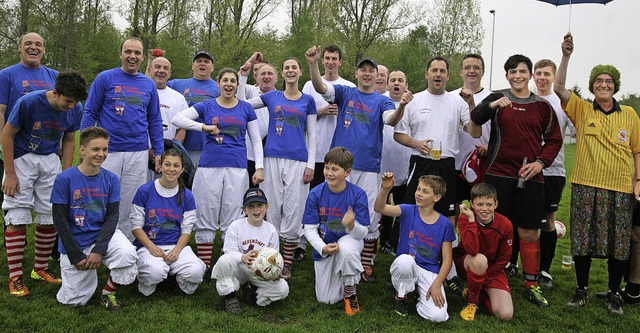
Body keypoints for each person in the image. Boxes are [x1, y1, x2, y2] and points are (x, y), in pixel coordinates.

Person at [305, 45, 409, 283]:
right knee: (338, 210)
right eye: (363, 70)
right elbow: (322, 87)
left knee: (371, 214)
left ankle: (366, 261)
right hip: (341, 166)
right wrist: (313, 64)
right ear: (356, 74)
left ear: (376, 76)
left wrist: (401, 105)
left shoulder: (382, 101)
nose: (367, 74)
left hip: (369, 165)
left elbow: (391, 120)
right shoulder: (345, 92)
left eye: (371, 71)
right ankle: (335, 250)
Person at [554, 33, 640, 315]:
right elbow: (559, 87)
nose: (603, 85)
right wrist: (566, 55)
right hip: (585, 185)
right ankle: (581, 290)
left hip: (620, 188)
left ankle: (614, 293)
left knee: (619, 243)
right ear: (592, 86)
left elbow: (638, 150)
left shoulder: (629, 114)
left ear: (615, 86)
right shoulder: (581, 108)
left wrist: (638, 180)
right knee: (581, 239)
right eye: (598, 81)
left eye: (609, 82)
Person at [470, 54, 563, 308]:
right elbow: (476, 119)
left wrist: (540, 163)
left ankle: (531, 284)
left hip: (530, 177)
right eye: (513, 72)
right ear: (507, 75)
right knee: (494, 228)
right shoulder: (498, 97)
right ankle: (489, 276)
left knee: (529, 231)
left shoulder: (542, 106)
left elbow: (555, 139)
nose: (518, 76)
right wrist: (492, 106)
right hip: (497, 175)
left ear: (530, 75)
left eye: (523, 71)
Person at [394, 56, 482, 294]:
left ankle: (449, 271)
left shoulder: (458, 102)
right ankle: (405, 266)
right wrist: (416, 142)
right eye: (434, 70)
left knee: (448, 219)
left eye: (443, 71)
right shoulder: (415, 100)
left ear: (448, 76)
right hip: (420, 163)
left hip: (446, 165)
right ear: (426, 74)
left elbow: (475, 132)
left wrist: (472, 105)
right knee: (411, 213)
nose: (438, 74)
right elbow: (398, 135)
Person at [2, 71, 86, 297]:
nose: (71, 106)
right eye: (67, 101)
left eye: (75, 102)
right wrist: (10, 173)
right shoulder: (29, 102)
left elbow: (69, 138)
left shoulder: (75, 109)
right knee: (18, 214)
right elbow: (7, 135)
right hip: (22, 158)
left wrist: (66, 174)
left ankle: (39, 268)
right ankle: (16, 276)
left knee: (51, 214)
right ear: (55, 93)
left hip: (50, 160)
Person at [171, 68, 264, 269]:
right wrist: (202, 127)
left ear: (237, 85)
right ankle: (204, 265)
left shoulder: (246, 108)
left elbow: (256, 141)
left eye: (233, 81)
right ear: (218, 83)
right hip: (209, 166)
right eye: (225, 80)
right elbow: (177, 119)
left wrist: (259, 167)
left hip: (237, 167)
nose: (229, 84)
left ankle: (226, 262)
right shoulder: (207, 106)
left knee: (233, 214)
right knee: (206, 211)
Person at [81, 37, 164, 242]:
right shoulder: (105, 78)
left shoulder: (148, 85)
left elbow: (154, 119)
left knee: (130, 201)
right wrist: (85, 146)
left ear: (143, 57)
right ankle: (97, 241)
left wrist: (159, 150)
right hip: (108, 151)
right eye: (128, 52)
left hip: (137, 151)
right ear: (120, 54)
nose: (132, 56)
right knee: (101, 198)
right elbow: (90, 112)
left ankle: (126, 244)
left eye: (137, 53)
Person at [244, 57, 317, 279]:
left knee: (294, 209)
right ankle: (271, 257)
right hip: (272, 158)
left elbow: (312, 134)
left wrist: (311, 164)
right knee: (273, 208)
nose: (290, 70)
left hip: (298, 160)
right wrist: (241, 77)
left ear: (300, 72)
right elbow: (243, 104)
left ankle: (287, 262)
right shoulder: (271, 96)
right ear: (282, 74)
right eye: (286, 67)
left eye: (294, 67)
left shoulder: (308, 100)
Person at [51, 127, 138, 310]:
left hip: (102, 235)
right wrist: (75, 254)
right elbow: (59, 220)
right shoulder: (64, 179)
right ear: (82, 150)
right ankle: (81, 277)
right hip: (75, 241)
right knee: (75, 301)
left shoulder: (111, 179)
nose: (101, 154)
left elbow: (112, 216)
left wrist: (99, 250)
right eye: (95, 149)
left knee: (127, 254)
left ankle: (108, 292)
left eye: (105, 149)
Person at [374, 173, 455, 322]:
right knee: (406, 260)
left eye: (425, 191)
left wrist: (437, 284)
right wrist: (385, 189)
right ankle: (402, 295)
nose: (418, 193)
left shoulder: (444, 224)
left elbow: (448, 260)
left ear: (436, 197)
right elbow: (379, 208)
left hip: (428, 270)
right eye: (418, 189)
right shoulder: (407, 210)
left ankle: (419, 294)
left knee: (438, 316)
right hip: (406, 265)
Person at [301, 44, 356, 262]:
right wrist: (321, 111)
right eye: (327, 58)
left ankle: (338, 236)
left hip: (339, 156)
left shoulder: (349, 87)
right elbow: (300, 117)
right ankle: (305, 239)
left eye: (335, 58)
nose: (331, 62)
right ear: (322, 61)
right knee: (313, 198)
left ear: (341, 62)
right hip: (314, 152)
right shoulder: (309, 84)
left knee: (337, 200)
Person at [302, 147, 369, 316]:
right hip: (326, 246)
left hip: (349, 242)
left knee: (345, 248)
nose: (329, 173)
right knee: (326, 299)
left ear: (347, 172)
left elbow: (362, 234)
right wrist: (322, 248)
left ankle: (350, 293)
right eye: (326, 167)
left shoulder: (358, 194)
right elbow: (309, 229)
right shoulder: (315, 193)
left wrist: (352, 225)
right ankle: (343, 277)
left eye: (334, 169)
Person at [131, 148, 205, 296]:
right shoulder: (144, 191)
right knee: (155, 272)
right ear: (160, 166)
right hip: (148, 246)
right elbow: (136, 227)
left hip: (175, 246)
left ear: (182, 169)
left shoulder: (187, 195)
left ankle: (175, 274)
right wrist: (151, 247)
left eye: (176, 165)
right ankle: (152, 278)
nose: (171, 169)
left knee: (196, 272)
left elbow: (186, 230)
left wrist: (177, 251)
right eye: (167, 164)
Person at [0, 32, 58, 215]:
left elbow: (61, 111)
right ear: (19, 48)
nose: (34, 47)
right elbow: (1, 111)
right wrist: (2, 148)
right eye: (28, 43)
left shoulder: (54, 76)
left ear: (44, 50)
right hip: (18, 150)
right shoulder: (6, 75)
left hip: (48, 151)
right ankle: (16, 240)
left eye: (38, 44)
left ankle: (49, 243)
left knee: (50, 208)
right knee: (15, 203)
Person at [212, 187, 289, 314]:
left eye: (260, 205)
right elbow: (229, 250)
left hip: (259, 272)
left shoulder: (271, 230)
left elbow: (275, 256)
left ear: (266, 207)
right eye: (251, 206)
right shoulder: (236, 226)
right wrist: (242, 257)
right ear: (244, 210)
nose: (256, 209)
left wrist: (275, 271)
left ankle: (255, 293)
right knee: (224, 261)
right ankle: (230, 296)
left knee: (283, 289)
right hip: (239, 268)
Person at [533, 58, 574, 288]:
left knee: (548, 220)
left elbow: (577, 129)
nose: (542, 77)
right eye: (538, 73)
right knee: (524, 219)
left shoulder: (561, 103)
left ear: (554, 76)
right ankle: (515, 264)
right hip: (526, 169)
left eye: (547, 74)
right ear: (533, 76)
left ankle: (544, 270)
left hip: (553, 171)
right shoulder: (527, 99)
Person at [456, 183, 513, 321]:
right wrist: (471, 219)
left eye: (489, 204)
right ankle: (472, 302)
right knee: (479, 259)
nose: (484, 209)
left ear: (496, 204)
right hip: (467, 263)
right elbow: (472, 250)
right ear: (472, 204)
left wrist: (485, 277)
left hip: (492, 270)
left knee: (505, 315)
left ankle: (477, 290)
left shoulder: (505, 224)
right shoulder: (465, 218)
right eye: (480, 204)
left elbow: (504, 259)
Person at [167, 50, 220, 167]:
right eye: (199, 61)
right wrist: (151, 62)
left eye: (206, 61)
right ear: (193, 65)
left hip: (208, 146)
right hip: (182, 146)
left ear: (212, 67)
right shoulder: (177, 84)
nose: (202, 64)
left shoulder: (219, 88)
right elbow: (152, 85)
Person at [379, 70, 411, 254]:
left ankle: (394, 242)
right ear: (387, 85)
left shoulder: (412, 105)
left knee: (401, 208)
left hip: (405, 166)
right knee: (382, 208)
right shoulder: (381, 103)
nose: (397, 83)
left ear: (406, 85)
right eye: (393, 80)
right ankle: (382, 241)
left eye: (401, 80)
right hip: (382, 165)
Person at [453, 54, 492, 204]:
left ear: (483, 71)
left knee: (481, 210)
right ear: (461, 71)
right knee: (452, 212)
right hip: (455, 164)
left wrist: (490, 146)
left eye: (476, 67)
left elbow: (502, 132)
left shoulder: (493, 98)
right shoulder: (451, 97)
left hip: (482, 164)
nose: (472, 71)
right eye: (467, 67)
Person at [237, 52, 277, 188]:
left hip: (272, 157)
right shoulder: (250, 91)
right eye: (262, 74)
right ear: (257, 77)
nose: (266, 77)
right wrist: (248, 64)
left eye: (270, 74)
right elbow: (237, 90)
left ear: (276, 78)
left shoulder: (281, 97)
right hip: (248, 155)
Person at [149, 57, 188, 142]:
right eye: (157, 67)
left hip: (169, 152)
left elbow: (182, 129)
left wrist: (173, 149)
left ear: (170, 73)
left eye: (165, 68)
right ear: (149, 70)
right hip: (142, 151)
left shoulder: (179, 98)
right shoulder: (141, 95)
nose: (161, 71)